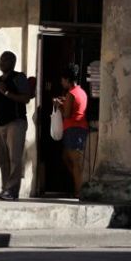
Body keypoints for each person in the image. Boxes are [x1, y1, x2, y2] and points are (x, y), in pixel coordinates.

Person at [0, 51, 32, 201]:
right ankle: (5, 188)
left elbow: (26, 98)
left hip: (16, 122)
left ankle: (12, 191)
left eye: (6, 60)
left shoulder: (19, 77)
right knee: (3, 159)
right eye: (1, 59)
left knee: (15, 158)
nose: (2, 62)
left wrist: (8, 93)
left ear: (13, 62)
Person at [53, 63, 88, 198]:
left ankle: (79, 191)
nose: (61, 82)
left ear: (67, 80)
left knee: (75, 162)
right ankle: (78, 187)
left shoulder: (71, 94)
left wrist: (58, 105)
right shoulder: (81, 92)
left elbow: (66, 114)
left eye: (62, 80)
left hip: (73, 128)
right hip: (79, 128)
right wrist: (64, 102)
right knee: (67, 158)